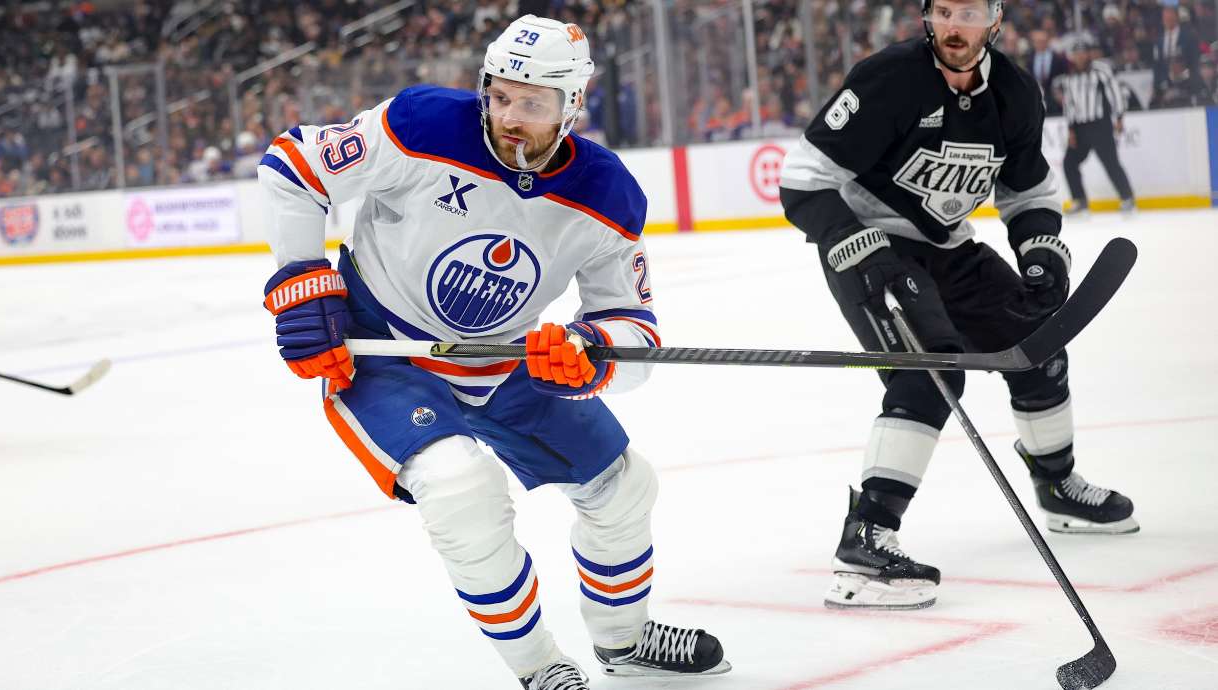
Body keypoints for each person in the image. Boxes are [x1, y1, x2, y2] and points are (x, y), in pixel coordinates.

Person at [256, 15, 729, 689]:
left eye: (532, 105)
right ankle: (540, 668)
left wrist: (592, 351)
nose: (509, 117)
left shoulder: (607, 193)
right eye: (499, 96)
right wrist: (301, 279)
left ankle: (625, 642)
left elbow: (634, 330)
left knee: (624, 488)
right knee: (460, 487)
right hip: (382, 349)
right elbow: (293, 165)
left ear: (574, 104)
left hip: (504, 358)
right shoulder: (419, 124)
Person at [779, 0, 1138, 611]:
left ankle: (1056, 485)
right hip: (869, 246)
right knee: (931, 374)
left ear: (993, 21)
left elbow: (1029, 193)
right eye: (942, 10)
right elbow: (802, 179)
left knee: (1040, 344)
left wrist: (1041, 252)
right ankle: (866, 539)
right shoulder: (889, 79)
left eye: (968, 13)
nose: (953, 26)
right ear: (927, 17)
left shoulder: (1016, 94)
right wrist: (859, 247)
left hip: (948, 246)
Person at [1052, 36, 1135, 216]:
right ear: (1072, 56)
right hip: (1079, 128)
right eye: (1077, 53)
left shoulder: (1101, 70)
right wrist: (1071, 129)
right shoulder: (1070, 76)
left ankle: (1127, 198)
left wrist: (1119, 117)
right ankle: (1080, 201)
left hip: (1100, 125)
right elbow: (1070, 104)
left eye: (1083, 52)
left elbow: (1115, 91)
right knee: (1069, 162)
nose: (1080, 56)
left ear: (1089, 54)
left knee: (1110, 162)